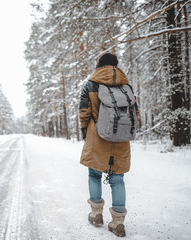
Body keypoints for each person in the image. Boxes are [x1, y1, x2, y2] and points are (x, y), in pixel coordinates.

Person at [79, 52, 132, 237]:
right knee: (117, 179)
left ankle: (96, 213)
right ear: (116, 65)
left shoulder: (91, 84)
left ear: (99, 65)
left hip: (97, 136)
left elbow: (84, 111)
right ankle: (118, 222)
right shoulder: (126, 85)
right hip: (121, 137)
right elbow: (135, 113)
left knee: (94, 174)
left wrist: (86, 132)